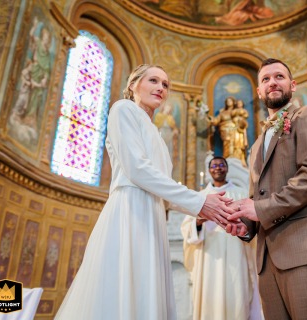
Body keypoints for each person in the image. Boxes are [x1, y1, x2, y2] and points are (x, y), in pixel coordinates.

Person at [55, 64, 245, 320]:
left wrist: (208, 208)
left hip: (154, 214)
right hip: (130, 209)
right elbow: (137, 169)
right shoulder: (123, 109)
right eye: (153, 80)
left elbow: (162, 186)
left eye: (165, 85)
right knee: (125, 286)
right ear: (133, 85)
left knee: (146, 288)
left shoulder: (156, 135)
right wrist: (199, 201)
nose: (161, 88)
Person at [228, 58, 307, 320]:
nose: (272, 82)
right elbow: (257, 197)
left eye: (279, 77)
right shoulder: (256, 146)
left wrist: (260, 209)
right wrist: (247, 225)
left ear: (292, 85)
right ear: (259, 92)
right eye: (265, 79)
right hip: (268, 261)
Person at [181, 156, 263, 320]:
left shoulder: (241, 193)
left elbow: (254, 226)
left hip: (237, 256)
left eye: (221, 165)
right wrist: (198, 221)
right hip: (209, 259)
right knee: (210, 301)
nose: (218, 168)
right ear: (209, 170)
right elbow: (186, 229)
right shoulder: (200, 197)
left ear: (227, 169)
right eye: (214, 165)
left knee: (238, 298)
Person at [231, 99, 249, 166]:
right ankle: (235, 158)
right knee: (235, 143)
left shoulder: (244, 111)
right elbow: (232, 114)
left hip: (241, 129)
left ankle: (242, 159)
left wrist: (240, 119)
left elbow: (246, 115)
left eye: (240, 103)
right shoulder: (235, 111)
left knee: (241, 144)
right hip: (235, 129)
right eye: (238, 103)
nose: (239, 104)